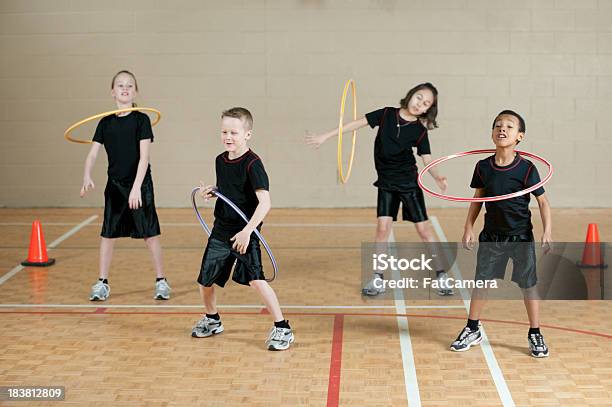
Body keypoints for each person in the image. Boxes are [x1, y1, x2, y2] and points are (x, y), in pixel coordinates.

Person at [306, 83, 452, 296]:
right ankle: (378, 278)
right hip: (386, 184)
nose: (420, 103)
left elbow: (426, 158)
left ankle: (441, 275)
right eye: (419, 97)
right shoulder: (385, 114)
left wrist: (438, 176)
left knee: (424, 230)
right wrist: (325, 136)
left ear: (427, 110)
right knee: (382, 229)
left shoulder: (419, 131)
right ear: (410, 95)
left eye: (426, 103)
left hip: (408, 184)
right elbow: (355, 124)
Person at [450, 110, 552, 358]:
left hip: (520, 237)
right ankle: (472, 328)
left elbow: (543, 202)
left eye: (509, 126)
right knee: (481, 282)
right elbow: (478, 199)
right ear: (492, 133)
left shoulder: (527, 169)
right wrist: (468, 227)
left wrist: (547, 230)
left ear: (520, 136)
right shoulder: (483, 166)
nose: (502, 129)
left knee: (528, 285)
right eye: (498, 125)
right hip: (492, 236)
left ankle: (535, 332)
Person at [191, 107, 294, 351]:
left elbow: (265, 203)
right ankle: (212, 319)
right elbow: (230, 190)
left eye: (234, 132)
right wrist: (213, 191)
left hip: (245, 232)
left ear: (247, 134)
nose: (228, 136)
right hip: (221, 230)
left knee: (256, 281)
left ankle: (282, 327)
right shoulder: (220, 160)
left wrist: (248, 231)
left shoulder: (253, 164)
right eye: (224, 131)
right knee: (206, 280)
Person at [80, 70, 170, 301]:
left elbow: (144, 158)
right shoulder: (105, 123)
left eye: (130, 85)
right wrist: (87, 175)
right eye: (120, 85)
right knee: (108, 234)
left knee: (149, 234)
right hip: (115, 186)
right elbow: (92, 155)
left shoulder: (142, 120)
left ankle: (161, 281)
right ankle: (102, 282)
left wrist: (137, 187)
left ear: (135, 91)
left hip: (140, 184)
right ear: (113, 92)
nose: (125, 88)